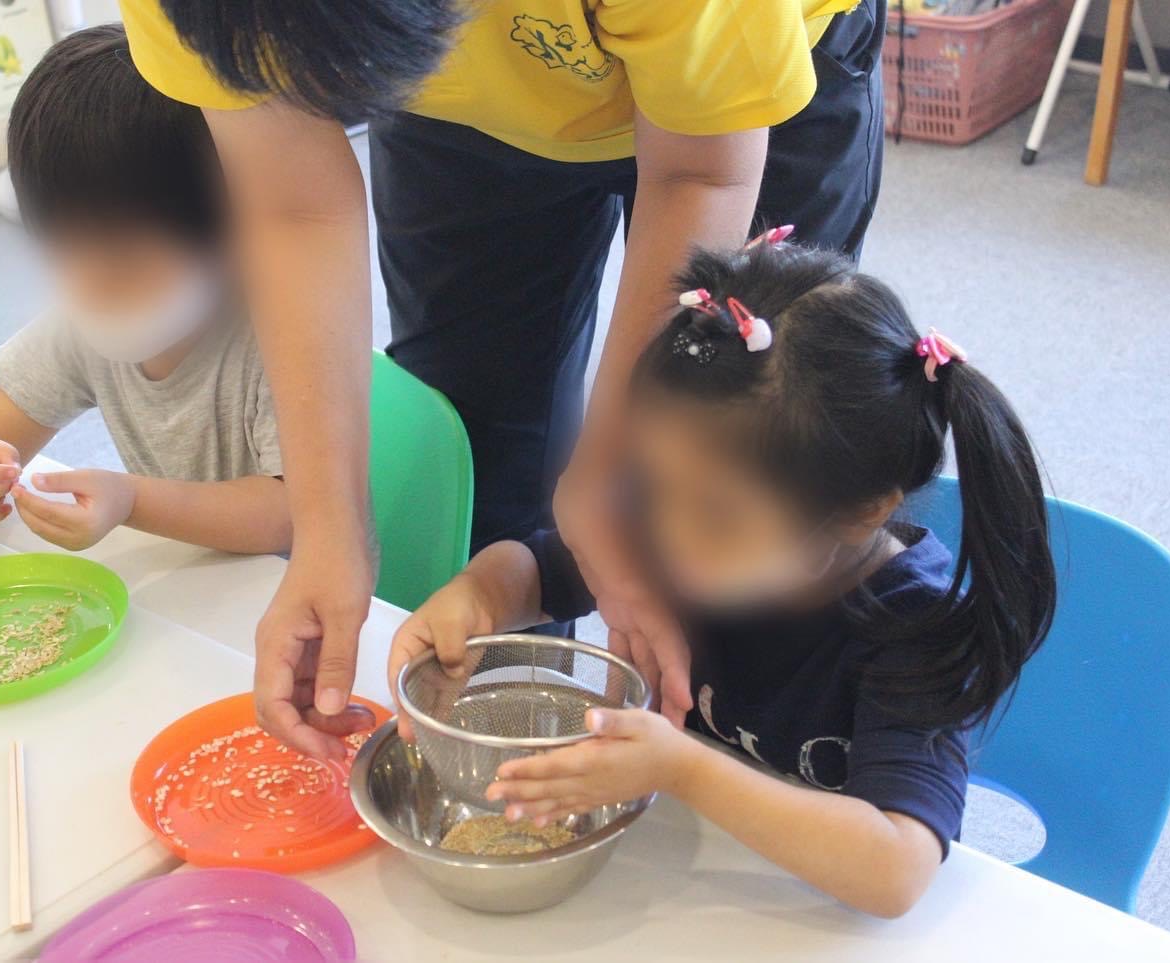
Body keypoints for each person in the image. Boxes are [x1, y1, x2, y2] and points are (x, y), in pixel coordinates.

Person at [119, 0, 886, 756]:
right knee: (483, 476)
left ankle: (760, 754)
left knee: (738, 480)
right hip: (457, 113)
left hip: (743, 86)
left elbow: (701, 173)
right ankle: (517, 753)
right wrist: (328, 529)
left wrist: (606, 473)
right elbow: (293, 205)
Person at [387, 242, 1057, 916]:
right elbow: (539, 568)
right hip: (697, 889)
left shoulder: (916, 628)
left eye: (717, 513)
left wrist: (681, 768)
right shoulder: (679, 530)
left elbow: (895, 871)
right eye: (652, 483)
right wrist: (477, 595)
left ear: (859, 514)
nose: (669, 532)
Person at [0, 25, 288, 556]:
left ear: (230, 229)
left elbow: (289, 515)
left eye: (124, 266)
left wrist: (132, 501)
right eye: (61, 253)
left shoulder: (281, 340)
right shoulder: (83, 324)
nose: (91, 288)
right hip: (193, 578)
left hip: (290, 586)